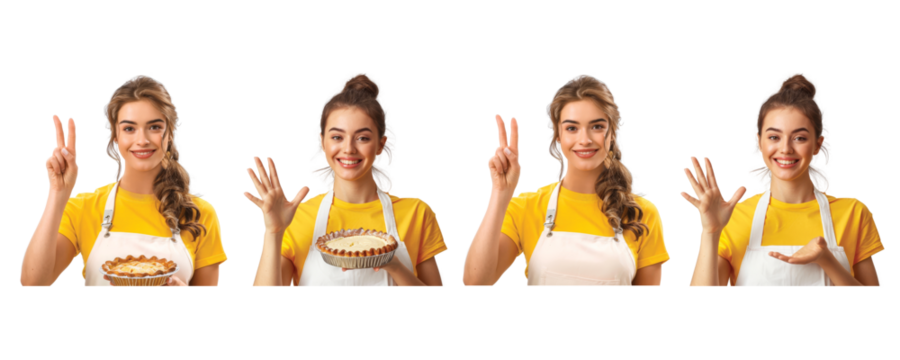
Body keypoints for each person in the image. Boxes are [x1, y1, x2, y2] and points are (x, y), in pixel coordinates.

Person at [462, 73, 671, 287]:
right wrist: (500, 192)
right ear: (558, 137)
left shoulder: (643, 215)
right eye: (572, 128)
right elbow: (475, 283)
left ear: (611, 134)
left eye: (597, 126)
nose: (585, 140)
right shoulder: (527, 207)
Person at [20, 73, 228, 287]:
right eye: (129, 128)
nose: (142, 140)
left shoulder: (201, 215)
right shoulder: (83, 208)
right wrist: (57, 193)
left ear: (168, 135)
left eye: (154, 127)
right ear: (116, 137)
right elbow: (33, 284)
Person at [247, 71, 449, 287]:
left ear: (380, 145)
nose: (349, 149)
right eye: (337, 137)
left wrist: (392, 264)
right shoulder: (297, 216)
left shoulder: (416, 213)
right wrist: (273, 231)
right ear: (323, 143)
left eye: (363, 137)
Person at [683, 71, 884, 287]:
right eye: (774, 137)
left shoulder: (853, 213)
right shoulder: (733, 216)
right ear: (759, 142)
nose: (786, 149)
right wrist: (710, 231)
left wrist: (827, 261)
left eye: (799, 137)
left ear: (817, 144)